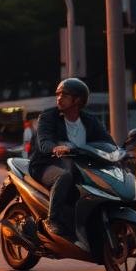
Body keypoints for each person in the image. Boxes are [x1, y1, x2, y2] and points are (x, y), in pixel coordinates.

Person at [29, 78, 111, 241]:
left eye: (64, 95)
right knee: (64, 176)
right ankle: (53, 220)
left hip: (80, 166)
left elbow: (107, 142)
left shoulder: (90, 120)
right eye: (58, 94)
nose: (59, 98)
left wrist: (121, 152)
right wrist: (55, 148)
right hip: (46, 164)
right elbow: (44, 141)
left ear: (78, 99)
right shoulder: (48, 117)